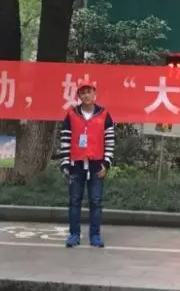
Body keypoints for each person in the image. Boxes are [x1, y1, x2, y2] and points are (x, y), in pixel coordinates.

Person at [59, 80, 115, 248]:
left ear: (94, 94)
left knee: (96, 201)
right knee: (74, 201)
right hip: (76, 165)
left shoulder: (104, 114)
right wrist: (65, 163)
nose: (86, 95)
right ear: (79, 96)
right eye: (83, 93)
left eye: (89, 91)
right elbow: (65, 139)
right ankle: (74, 235)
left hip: (96, 165)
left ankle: (95, 235)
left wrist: (107, 163)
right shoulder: (71, 114)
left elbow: (110, 141)